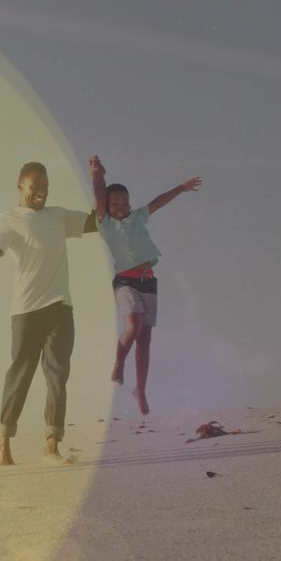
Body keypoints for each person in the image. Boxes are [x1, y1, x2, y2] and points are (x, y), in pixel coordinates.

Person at [0, 161, 97, 465]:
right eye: (35, 186)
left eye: (45, 186)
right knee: (20, 373)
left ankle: (51, 445)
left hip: (60, 307)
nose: (41, 192)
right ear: (20, 185)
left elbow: (97, 222)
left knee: (58, 375)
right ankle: (4, 440)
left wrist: (98, 179)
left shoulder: (59, 216)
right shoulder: (9, 220)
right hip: (26, 310)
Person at [88, 155, 202, 415]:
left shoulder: (137, 217)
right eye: (114, 202)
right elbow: (98, 194)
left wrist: (181, 189)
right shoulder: (105, 223)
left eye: (124, 202)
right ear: (107, 205)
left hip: (148, 281)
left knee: (145, 339)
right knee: (134, 323)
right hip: (125, 281)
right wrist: (98, 174)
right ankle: (118, 363)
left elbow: (157, 202)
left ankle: (139, 389)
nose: (120, 206)